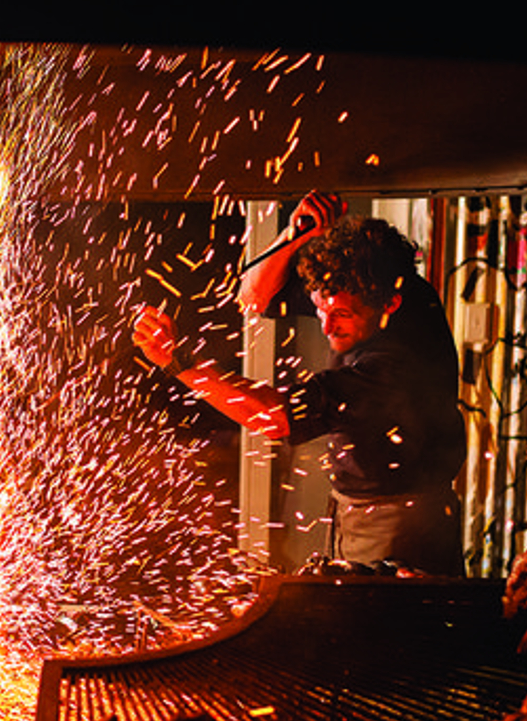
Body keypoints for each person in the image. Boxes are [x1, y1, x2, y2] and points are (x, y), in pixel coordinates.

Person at [133, 191, 467, 575]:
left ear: (390, 304)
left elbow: (274, 418)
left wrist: (180, 364)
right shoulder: (367, 284)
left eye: (340, 315)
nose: (326, 327)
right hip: (358, 506)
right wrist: (297, 235)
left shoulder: (394, 367)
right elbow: (254, 297)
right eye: (321, 308)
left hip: (400, 524)